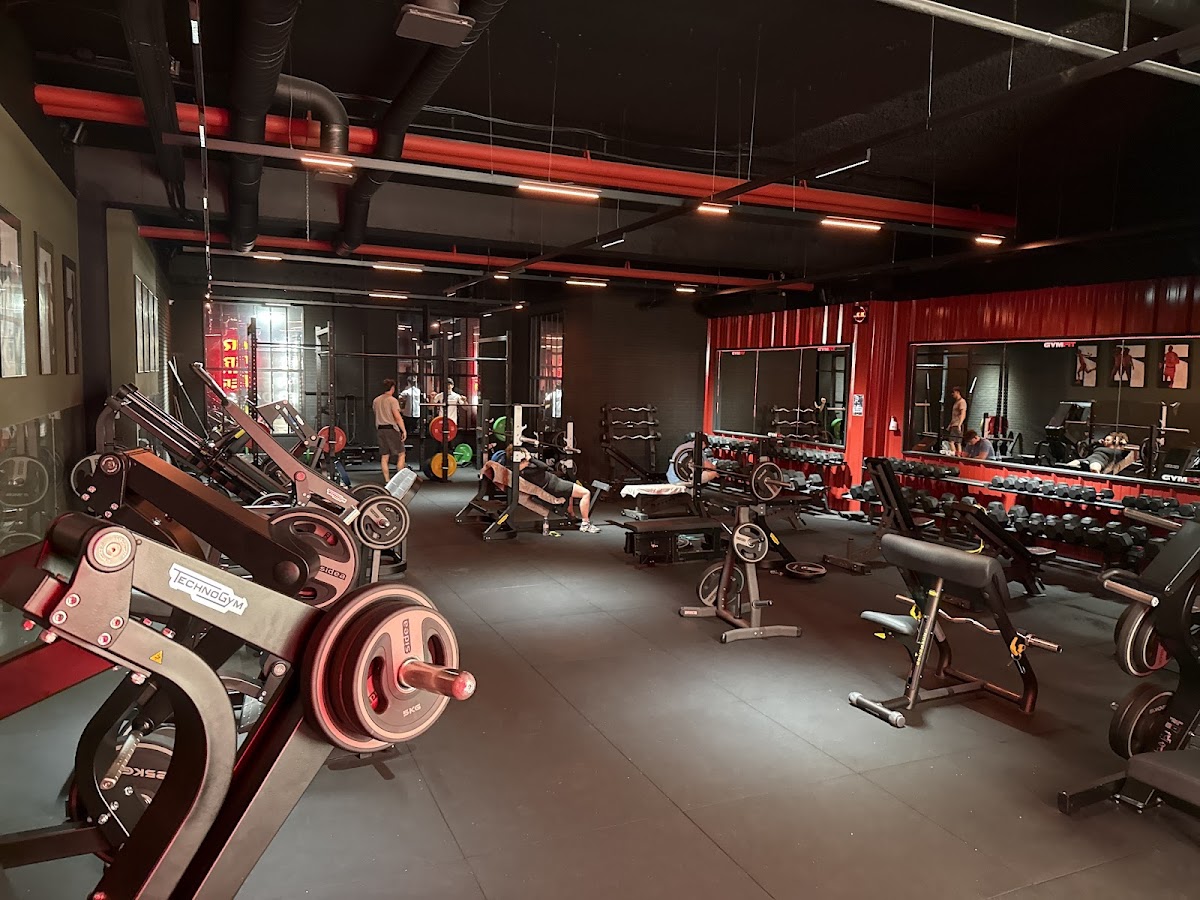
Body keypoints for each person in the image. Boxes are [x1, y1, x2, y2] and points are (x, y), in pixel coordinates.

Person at [508, 444, 599, 533]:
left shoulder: (522, 469)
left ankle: (571, 515)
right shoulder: (525, 471)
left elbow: (545, 469)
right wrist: (531, 458)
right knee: (585, 493)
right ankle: (585, 523)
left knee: (571, 490)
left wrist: (529, 458)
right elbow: (544, 467)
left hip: (554, 483)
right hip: (554, 486)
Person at [372, 378, 407, 482]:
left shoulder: (376, 400)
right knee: (401, 453)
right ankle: (399, 480)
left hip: (380, 430)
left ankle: (387, 480)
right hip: (391, 429)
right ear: (392, 388)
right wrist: (403, 430)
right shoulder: (392, 400)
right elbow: (397, 417)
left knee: (384, 456)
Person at [398, 375, 423, 468]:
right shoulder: (410, 391)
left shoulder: (409, 391)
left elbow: (400, 398)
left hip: (412, 414)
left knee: (409, 431)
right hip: (412, 414)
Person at [946, 387, 967, 456]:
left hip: (957, 424)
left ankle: (955, 456)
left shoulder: (962, 402)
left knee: (952, 442)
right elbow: (954, 415)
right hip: (954, 424)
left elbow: (963, 413)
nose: (952, 394)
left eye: (954, 392)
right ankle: (958, 456)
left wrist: (959, 424)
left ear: (958, 392)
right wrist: (950, 425)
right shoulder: (956, 402)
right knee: (957, 443)